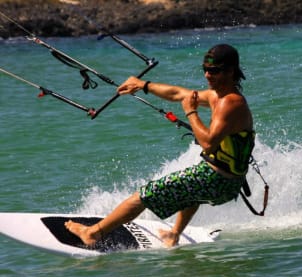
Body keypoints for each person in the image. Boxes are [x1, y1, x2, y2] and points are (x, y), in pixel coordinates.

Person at [65, 44, 255, 247]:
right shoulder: (218, 96)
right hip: (228, 182)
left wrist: (191, 112)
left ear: (231, 71)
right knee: (191, 191)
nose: (208, 75)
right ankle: (174, 234)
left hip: (217, 180)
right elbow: (177, 93)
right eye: (205, 70)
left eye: (215, 71)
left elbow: (207, 143)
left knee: (144, 195)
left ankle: (94, 233)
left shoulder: (230, 103)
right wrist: (143, 85)